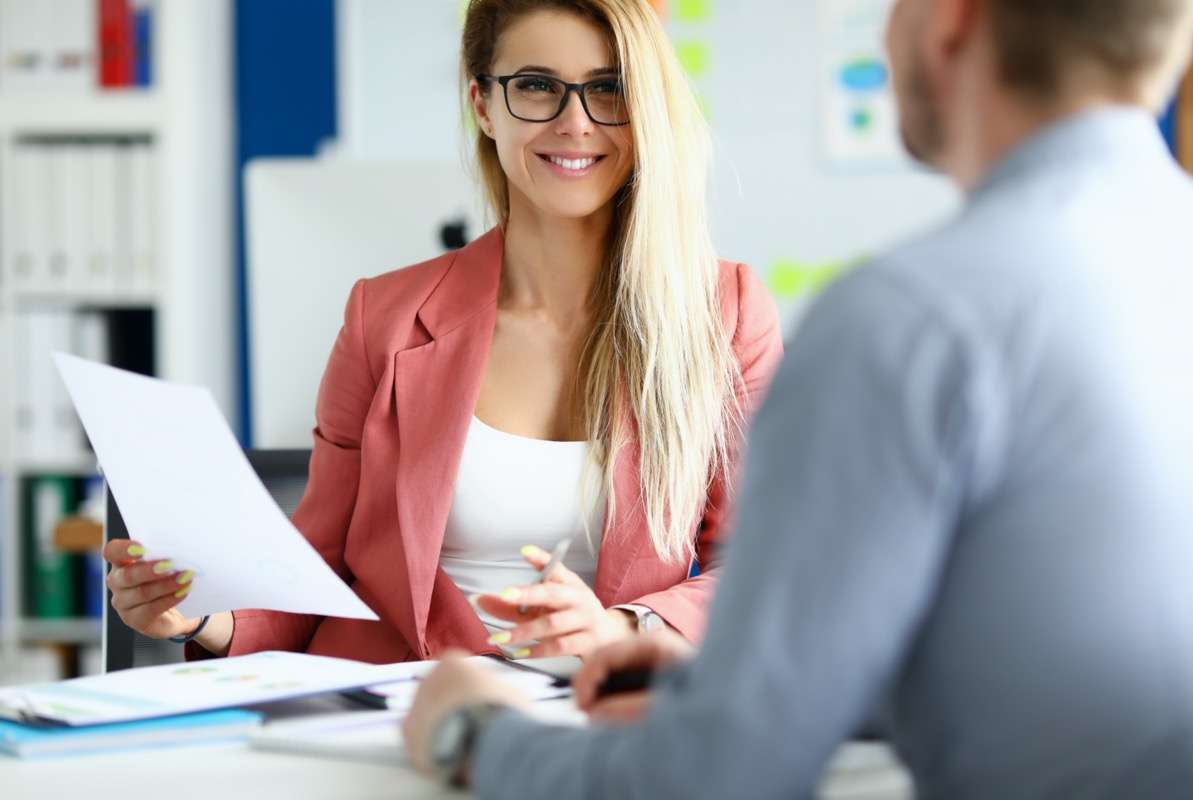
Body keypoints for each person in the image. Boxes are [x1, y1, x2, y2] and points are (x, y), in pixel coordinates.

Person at [403, 0, 1193, 796]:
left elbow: (718, 778)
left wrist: (474, 732)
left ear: (951, 19)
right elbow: (1052, 670)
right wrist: (716, 685)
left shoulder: (906, 324)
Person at [99, 0, 781, 663]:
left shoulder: (727, 313)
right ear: (483, 104)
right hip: (400, 706)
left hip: (605, 718)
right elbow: (316, 573)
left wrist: (622, 631)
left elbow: (763, 565)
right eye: (537, 86)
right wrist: (201, 616)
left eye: (610, 89)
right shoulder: (383, 317)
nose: (576, 122)